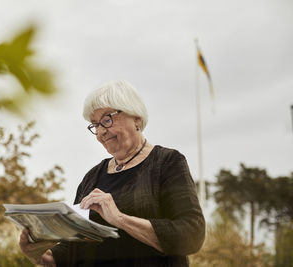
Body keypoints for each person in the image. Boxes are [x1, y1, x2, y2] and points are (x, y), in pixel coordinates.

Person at [19, 80, 205, 266]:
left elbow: (192, 234)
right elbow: (72, 251)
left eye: (107, 119)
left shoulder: (167, 163)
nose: (100, 133)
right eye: (95, 125)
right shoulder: (91, 178)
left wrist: (119, 219)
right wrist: (39, 254)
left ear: (137, 119)